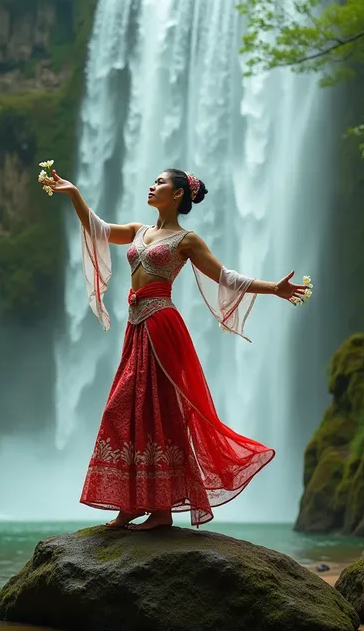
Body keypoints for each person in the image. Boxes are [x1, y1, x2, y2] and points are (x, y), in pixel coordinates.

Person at [40, 168, 307, 530]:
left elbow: (225, 276)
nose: (152, 186)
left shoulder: (187, 240)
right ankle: (133, 504)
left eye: (160, 182)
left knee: (159, 411)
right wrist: (73, 193)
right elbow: (98, 229)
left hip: (162, 326)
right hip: (137, 327)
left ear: (178, 194)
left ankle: (161, 511)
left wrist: (273, 288)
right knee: (130, 410)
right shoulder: (139, 231)